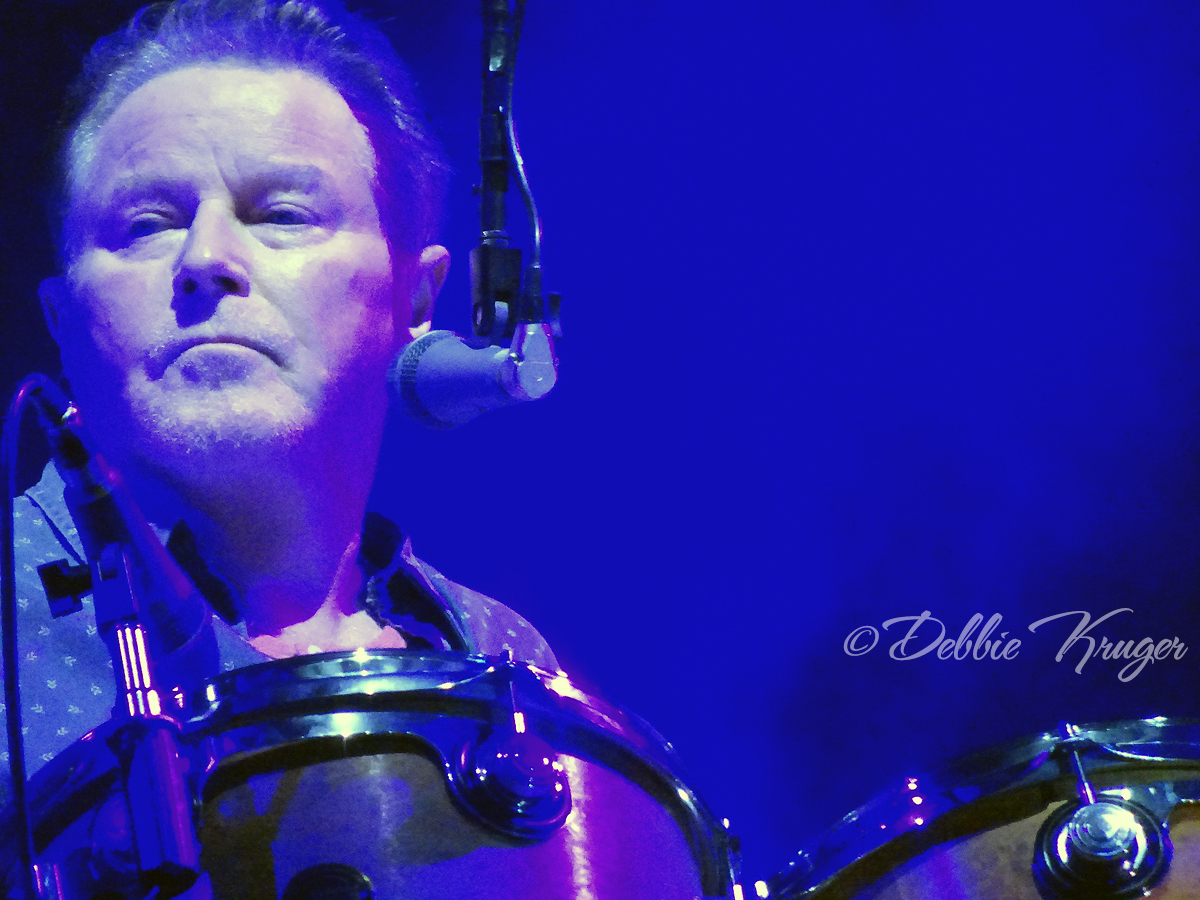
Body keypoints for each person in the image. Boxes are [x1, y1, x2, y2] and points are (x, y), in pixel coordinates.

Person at [5, 0, 558, 806]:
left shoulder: (504, 660)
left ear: (414, 296)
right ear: (62, 319)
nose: (205, 257)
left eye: (282, 215)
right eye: (147, 225)